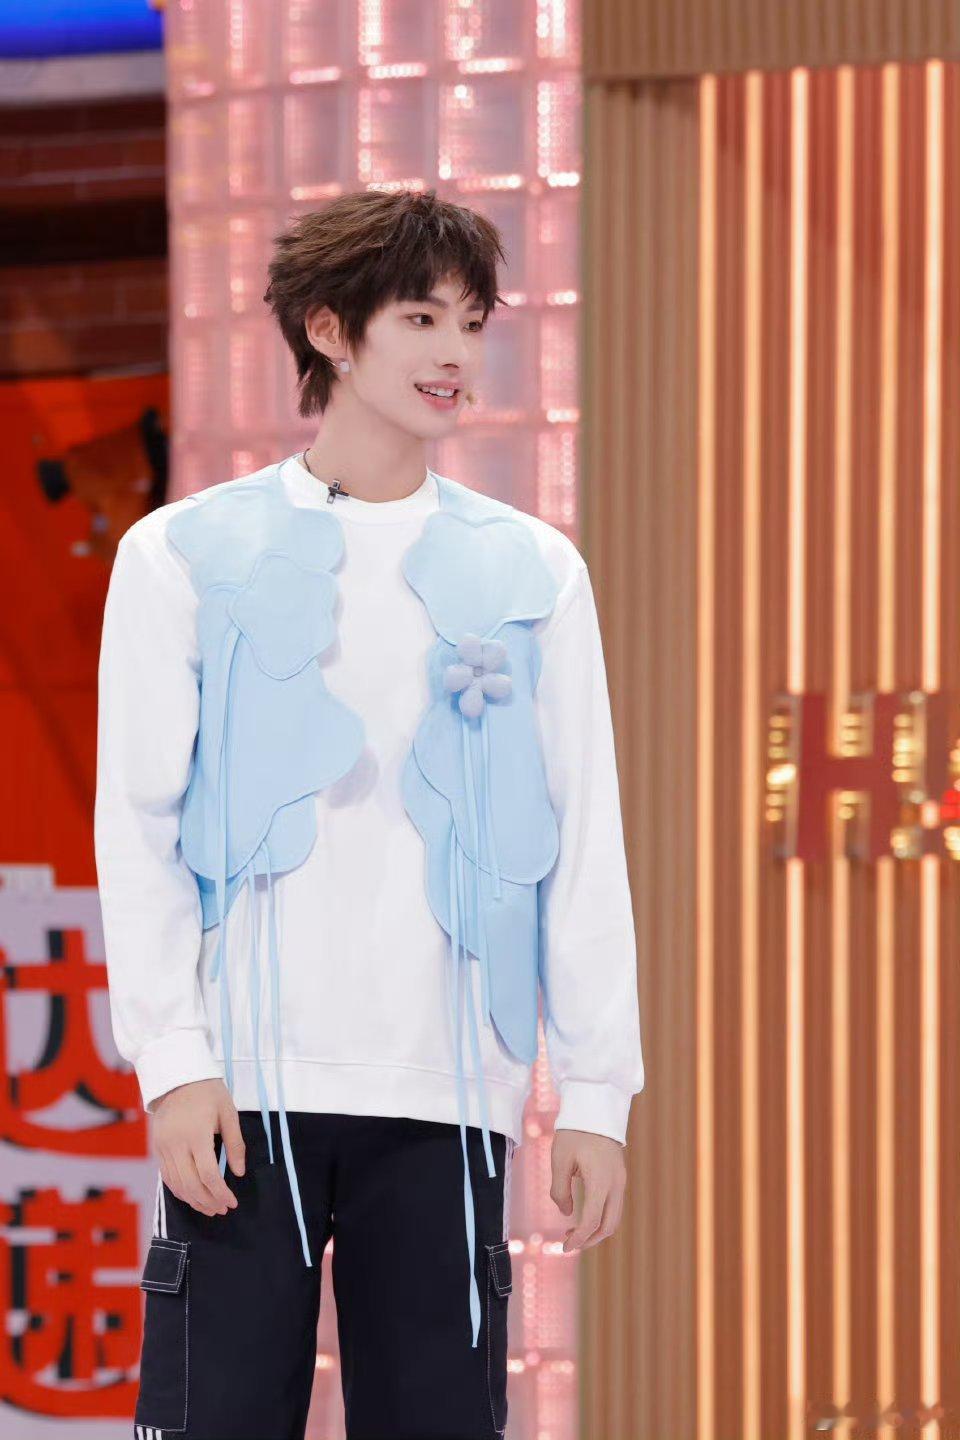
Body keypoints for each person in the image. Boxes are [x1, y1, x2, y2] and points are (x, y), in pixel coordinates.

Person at [94, 187, 645, 1440]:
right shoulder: (182, 555)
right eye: (421, 319)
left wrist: (596, 1093)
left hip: (450, 1095)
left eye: (471, 323)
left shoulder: (535, 571)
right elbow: (138, 827)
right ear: (332, 332)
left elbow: (584, 843)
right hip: (242, 1095)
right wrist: (173, 1064)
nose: (456, 354)